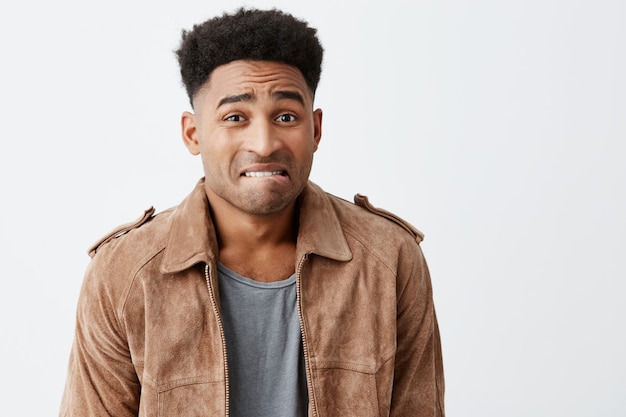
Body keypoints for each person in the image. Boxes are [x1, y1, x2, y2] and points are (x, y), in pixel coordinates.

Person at [60, 7, 445, 417]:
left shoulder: (390, 259)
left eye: (285, 116)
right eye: (234, 117)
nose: (263, 143)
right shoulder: (124, 272)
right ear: (194, 134)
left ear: (315, 130)